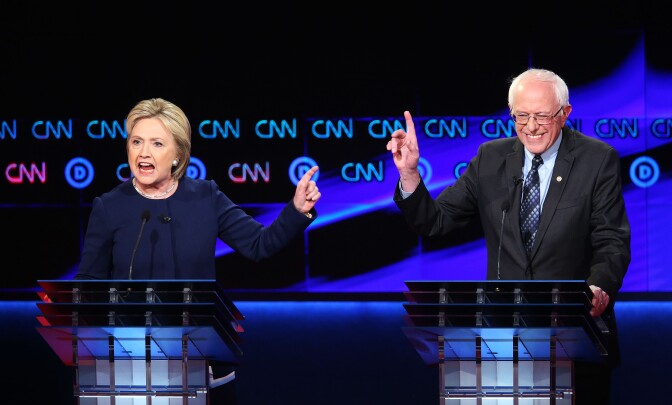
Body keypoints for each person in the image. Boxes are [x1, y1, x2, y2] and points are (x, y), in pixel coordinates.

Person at [387, 68, 630, 404]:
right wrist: (410, 173)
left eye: (542, 116)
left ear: (565, 113)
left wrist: (600, 286)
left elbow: (612, 239)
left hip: (573, 337)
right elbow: (436, 222)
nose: (531, 127)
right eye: (522, 116)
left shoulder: (596, 159)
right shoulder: (491, 158)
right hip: (501, 340)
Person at [75, 97, 321, 403]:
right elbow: (88, 289)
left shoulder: (206, 196)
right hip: (132, 368)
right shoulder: (109, 206)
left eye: (157, 143)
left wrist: (297, 210)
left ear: (178, 154)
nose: (144, 153)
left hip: (200, 364)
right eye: (136, 141)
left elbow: (259, 244)